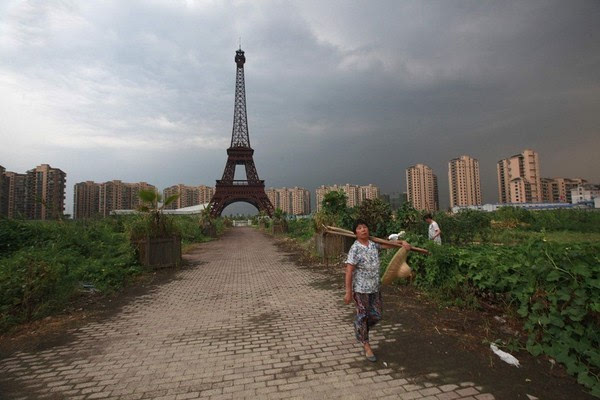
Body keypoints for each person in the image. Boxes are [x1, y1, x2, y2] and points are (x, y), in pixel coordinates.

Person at [344, 219, 411, 362]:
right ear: (355, 232)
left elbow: (387, 245)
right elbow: (349, 271)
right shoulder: (355, 249)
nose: (363, 230)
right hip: (361, 289)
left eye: (365, 227)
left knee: (377, 315)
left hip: (375, 288)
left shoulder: (373, 244)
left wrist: (401, 244)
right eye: (360, 228)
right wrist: (348, 292)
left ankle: (360, 328)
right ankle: (366, 345)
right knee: (363, 316)